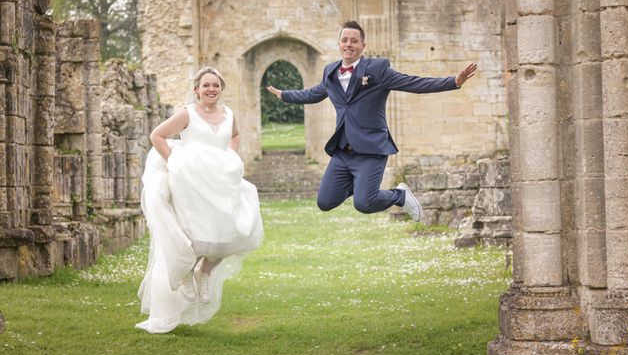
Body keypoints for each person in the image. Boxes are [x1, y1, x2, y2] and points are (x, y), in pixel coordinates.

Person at [267, 20, 477, 222]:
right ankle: (360, 186)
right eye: (345, 40)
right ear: (339, 43)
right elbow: (313, 94)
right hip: (343, 152)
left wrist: (453, 82)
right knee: (325, 201)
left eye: (354, 41)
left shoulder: (377, 70)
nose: (349, 44)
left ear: (363, 45)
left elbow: (412, 83)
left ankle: (399, 196)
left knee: (364, 203)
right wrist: (285, 95)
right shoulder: (330, 72)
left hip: (370, 150)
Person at [136, 67, 264, 334]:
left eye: (215, 85)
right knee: (192, 236)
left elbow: (236, 135)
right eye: (206, 85)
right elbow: (157, 135)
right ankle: (184, 273)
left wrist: (230, 156)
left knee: (236, 230)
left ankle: (203, 271)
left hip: (220, 183)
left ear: (221, 88)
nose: (211, 89)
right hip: (191, 184)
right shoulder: (188, 113)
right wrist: (174, 161)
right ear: (197, 90)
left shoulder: (228, 114)